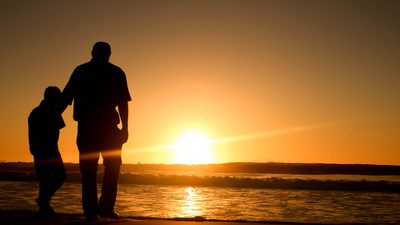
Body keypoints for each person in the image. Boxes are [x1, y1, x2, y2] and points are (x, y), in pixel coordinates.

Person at [56, 42, 131, 222]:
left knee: (92, 170)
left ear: (92, 53)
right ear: (109, 54)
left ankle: (94, 211)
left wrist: (53, 118)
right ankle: (101, 209)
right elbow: (123, 103)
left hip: (92, 128)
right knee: (109, 168)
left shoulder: (82, 71)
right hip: (102, 128)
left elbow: (66, 97)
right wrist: (125, 128)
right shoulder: (114, 72)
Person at [28, 86, 67, 218]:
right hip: (43, 149)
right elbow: (32, 132)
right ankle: (44, 202)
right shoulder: (38, 112)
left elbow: (58, 129)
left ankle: (44, 201)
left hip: (50, 149)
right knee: (51, 178)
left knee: (51, 178)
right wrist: (33, 147)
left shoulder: (54, 111)